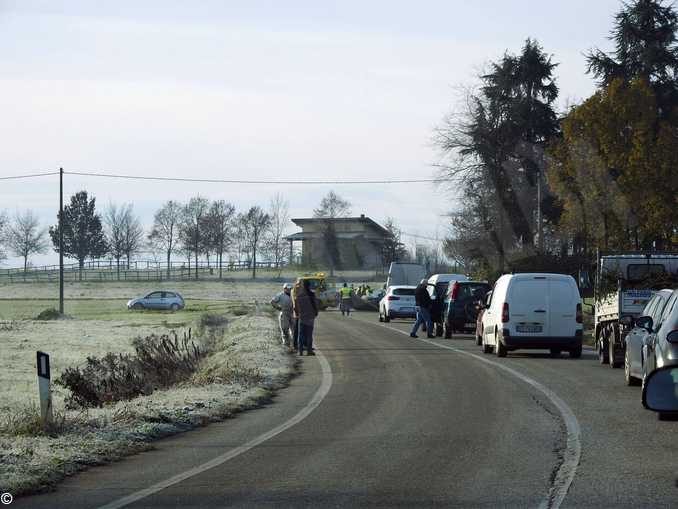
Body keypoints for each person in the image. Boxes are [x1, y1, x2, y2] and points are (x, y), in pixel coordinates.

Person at [294, 279, 318, 355]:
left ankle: (300, 351)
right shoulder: (312, 294)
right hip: (310, 317)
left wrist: (298, 314)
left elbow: (296, 307)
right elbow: (315, 305)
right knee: (309, 334)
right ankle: (309, 351)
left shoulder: (299, 295)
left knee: (301, 334)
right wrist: (315, 313)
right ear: (309, 285)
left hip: (302, 317)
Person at [270, 283, 294, 349]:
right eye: (287, 288)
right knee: (284, 328)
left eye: (290, 288)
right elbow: (272, 302)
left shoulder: (294, 295)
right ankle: (286, 343)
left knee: (294, 329)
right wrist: (278, 308)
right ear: (284, 289)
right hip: (284, 313)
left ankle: (294, 344)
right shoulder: (280, 295)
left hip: (293, 313)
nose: (289, 290)